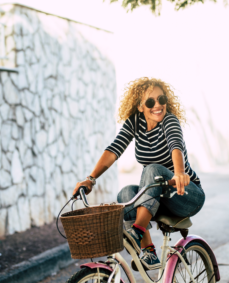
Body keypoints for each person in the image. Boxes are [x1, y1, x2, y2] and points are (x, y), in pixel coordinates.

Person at [73, 77, 205, 271]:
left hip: (185, 193)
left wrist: (179, 173)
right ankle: (148, 251)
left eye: (162, 99)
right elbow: (114, 150)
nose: (158, 105)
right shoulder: (135, 122)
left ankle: (136, 231)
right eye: (151, 102)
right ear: (140, 106)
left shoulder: (169, 120)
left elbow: (175, 145)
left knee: (152, 169)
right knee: (125, 194)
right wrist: (90, 179)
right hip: (158, 196)